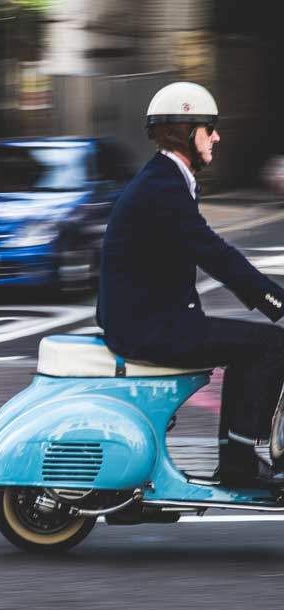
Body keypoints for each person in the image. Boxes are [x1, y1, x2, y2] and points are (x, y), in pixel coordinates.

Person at [96, 81, 284, 487]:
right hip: (152, 328)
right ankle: (239, 461)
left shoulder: (165, 179)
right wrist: (276, 301)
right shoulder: (163, 186)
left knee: (249, 346)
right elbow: (214, 253)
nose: (216, 136)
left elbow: (209, 252)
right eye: (209, 127)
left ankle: (237, 457)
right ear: (186, 132)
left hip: (154, 319)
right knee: (270, 345)